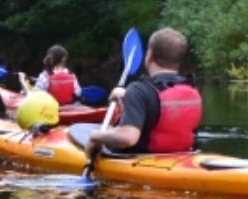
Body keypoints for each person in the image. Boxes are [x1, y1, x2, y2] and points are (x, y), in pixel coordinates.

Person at [84, 28, 202, 161]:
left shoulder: (139, 90)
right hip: (183, 156)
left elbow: (128, 138)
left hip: (142, 158)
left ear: (149, 55)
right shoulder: (191, 88)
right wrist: (126, 94)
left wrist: (95, 136)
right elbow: (159, 98)